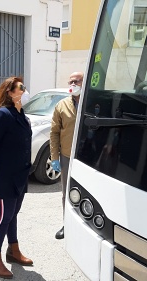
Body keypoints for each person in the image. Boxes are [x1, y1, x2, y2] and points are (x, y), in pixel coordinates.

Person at [0, 77, 33, 279]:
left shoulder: (22, 115)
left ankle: (13, 251)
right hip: (4, 176)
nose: (24, 90)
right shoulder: (2, 115)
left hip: (21, 175)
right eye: (21, 88)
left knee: (13, 214)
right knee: (4, 217)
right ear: (10, 92)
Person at [50, 71, 84, 240]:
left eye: (76, 81)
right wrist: (54, 157)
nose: (73, 84)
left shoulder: (92, 104)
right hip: (66, 156)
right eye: (71, 81)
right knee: (67, 192)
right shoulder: (62, 105)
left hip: (87, 159)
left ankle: (86, 226)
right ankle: (67, 224)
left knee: (87, 193)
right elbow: (54, 132)